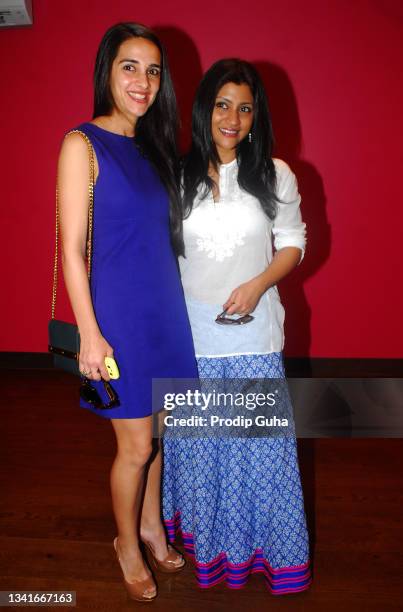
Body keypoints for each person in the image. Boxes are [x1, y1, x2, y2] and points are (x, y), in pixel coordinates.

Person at [57, 22, 198, 602]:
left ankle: (150, 523)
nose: (143, 81)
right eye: (130, 66)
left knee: (158, 435)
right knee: (134, 446)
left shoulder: (153, 148)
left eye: (153, 70)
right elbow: (70, 247)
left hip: (165, 313)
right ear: (107, 72)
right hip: (116, 321)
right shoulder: (81, 144)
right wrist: (90, 334)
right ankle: (127, 543)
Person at [162, 59, 312, 594]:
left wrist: (257, 282)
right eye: (223, 104)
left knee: (256, 453)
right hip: (191, 339)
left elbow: (294, 242)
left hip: (253, 334)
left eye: (245, 108)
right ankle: (212, 556)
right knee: (204, 450)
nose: (233, 118)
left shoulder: (275, 174)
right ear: (205, 108)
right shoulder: (174, 175)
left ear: (256, 116)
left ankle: (267, 557)